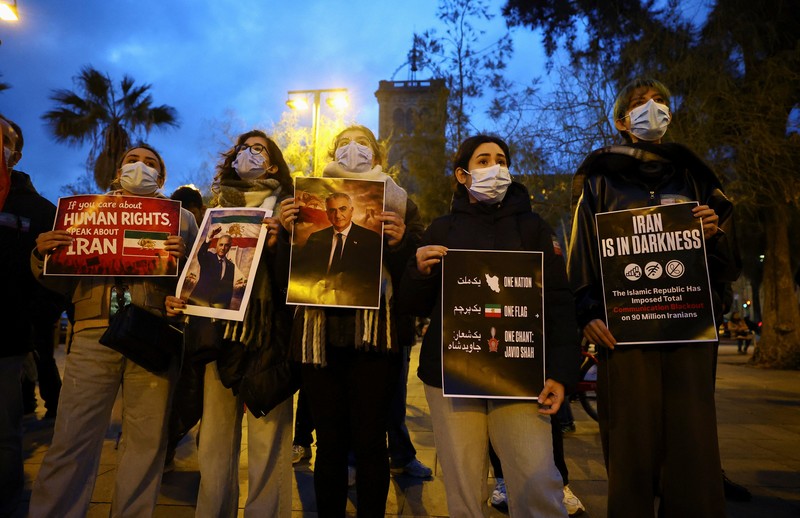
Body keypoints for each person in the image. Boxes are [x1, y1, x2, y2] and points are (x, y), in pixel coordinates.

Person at [567, 78, 740, 517]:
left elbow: (729, 267)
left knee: (693, 445)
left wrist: (713, 234)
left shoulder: (698, 178)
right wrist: (587, 313)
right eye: (641, 104)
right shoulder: (599, 179)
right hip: (624, 337)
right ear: (623, 121)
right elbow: (582, 253)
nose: (652, 108)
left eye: (659, 101)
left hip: (688, 334)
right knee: (630, 445)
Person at [399, 134, 578, 517]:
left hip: (520, 374)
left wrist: (561, 373)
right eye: (483, 160)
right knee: (463, 488)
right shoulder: (442, 229)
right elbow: (412, 306)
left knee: (536, 480)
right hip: (452, 377)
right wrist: (418, 271)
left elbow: (559, 304)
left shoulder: (533, 228)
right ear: (462, 175)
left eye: (501, 160)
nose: (494, 167)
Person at [28, 143, 197, 518]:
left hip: (153, 333)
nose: (141, 167)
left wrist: (183, 265)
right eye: (132, 161)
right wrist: (42, 256)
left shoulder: (181, 219)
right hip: (93, 331)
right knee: (72, 438)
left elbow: (197, 282)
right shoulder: (86, 213)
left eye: (151, 163)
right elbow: (58, 282)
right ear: (118, 171)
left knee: (146, 443)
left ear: (162, 177)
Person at [278, 124, 423, 517]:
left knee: (372, 441)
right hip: (318, 340)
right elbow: (285, 277)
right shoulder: (307, 218)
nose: (352, 150)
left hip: (376, 341)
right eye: (343, 144)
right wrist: (284, 232)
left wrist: (401, 242)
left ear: (376, 157)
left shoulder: (401, 204)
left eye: (362, 144)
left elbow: (414, 277)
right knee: (329, 443)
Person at [167, 130, 295, 517]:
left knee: (268, 442)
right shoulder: (213, 214)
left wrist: (281, 244)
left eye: (258, 149)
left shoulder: (290, 211)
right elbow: (200, 275)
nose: (248, 154)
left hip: (268, 338)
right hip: (218, 337)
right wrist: (181, 297)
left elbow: (302, 283)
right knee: (215, 443)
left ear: (273, 164)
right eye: (243, 148)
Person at [0, 115, 60, 517]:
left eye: (2, 138)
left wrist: (30, 322)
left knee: (4, 435)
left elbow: (51, 280)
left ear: (16, 153)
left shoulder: (38, 210)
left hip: (6, 338)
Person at [292, 191, 383, 307]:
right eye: (332, 211)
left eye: (343, 209)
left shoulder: (371, 239)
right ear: (327, 214)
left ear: (351, 211)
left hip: (355, 303)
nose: (338, 215)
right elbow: (303, 273)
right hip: (318, 302)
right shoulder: (316, 238)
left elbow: (371, 281)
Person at [188, 227, 237, 308]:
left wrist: (226, 308)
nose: (223, 248)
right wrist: (209, 238)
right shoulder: (208, 257)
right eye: (221, 245)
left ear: (229, 247)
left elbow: (228, 288)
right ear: (216, 246)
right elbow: (201, 254)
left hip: (216, 307)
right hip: (198, 302)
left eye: (226, 245)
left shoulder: (231, 266)